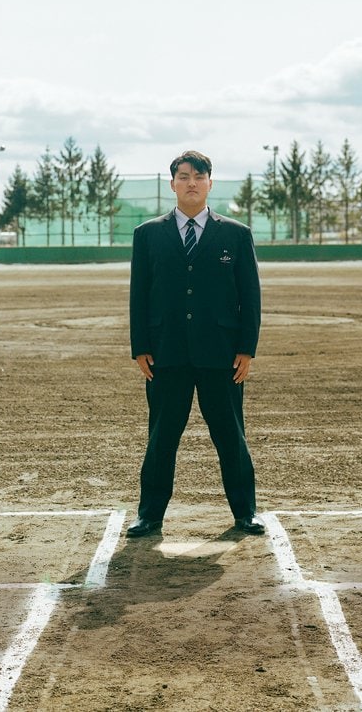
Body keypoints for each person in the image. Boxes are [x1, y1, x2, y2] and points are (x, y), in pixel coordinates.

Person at [127, 149, 264, 537]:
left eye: (198, 177)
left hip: (221, 355)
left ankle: (245, 512)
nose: (191, 183)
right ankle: (149, 515)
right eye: (183, 176)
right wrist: (140, 345)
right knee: (162, 437)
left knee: (230, 436)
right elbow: (140, 294)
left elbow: (250, 296)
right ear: (172, 184)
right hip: (165, 354)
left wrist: (246, 348)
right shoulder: (148, 234)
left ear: (209, 183)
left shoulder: (236, 235)